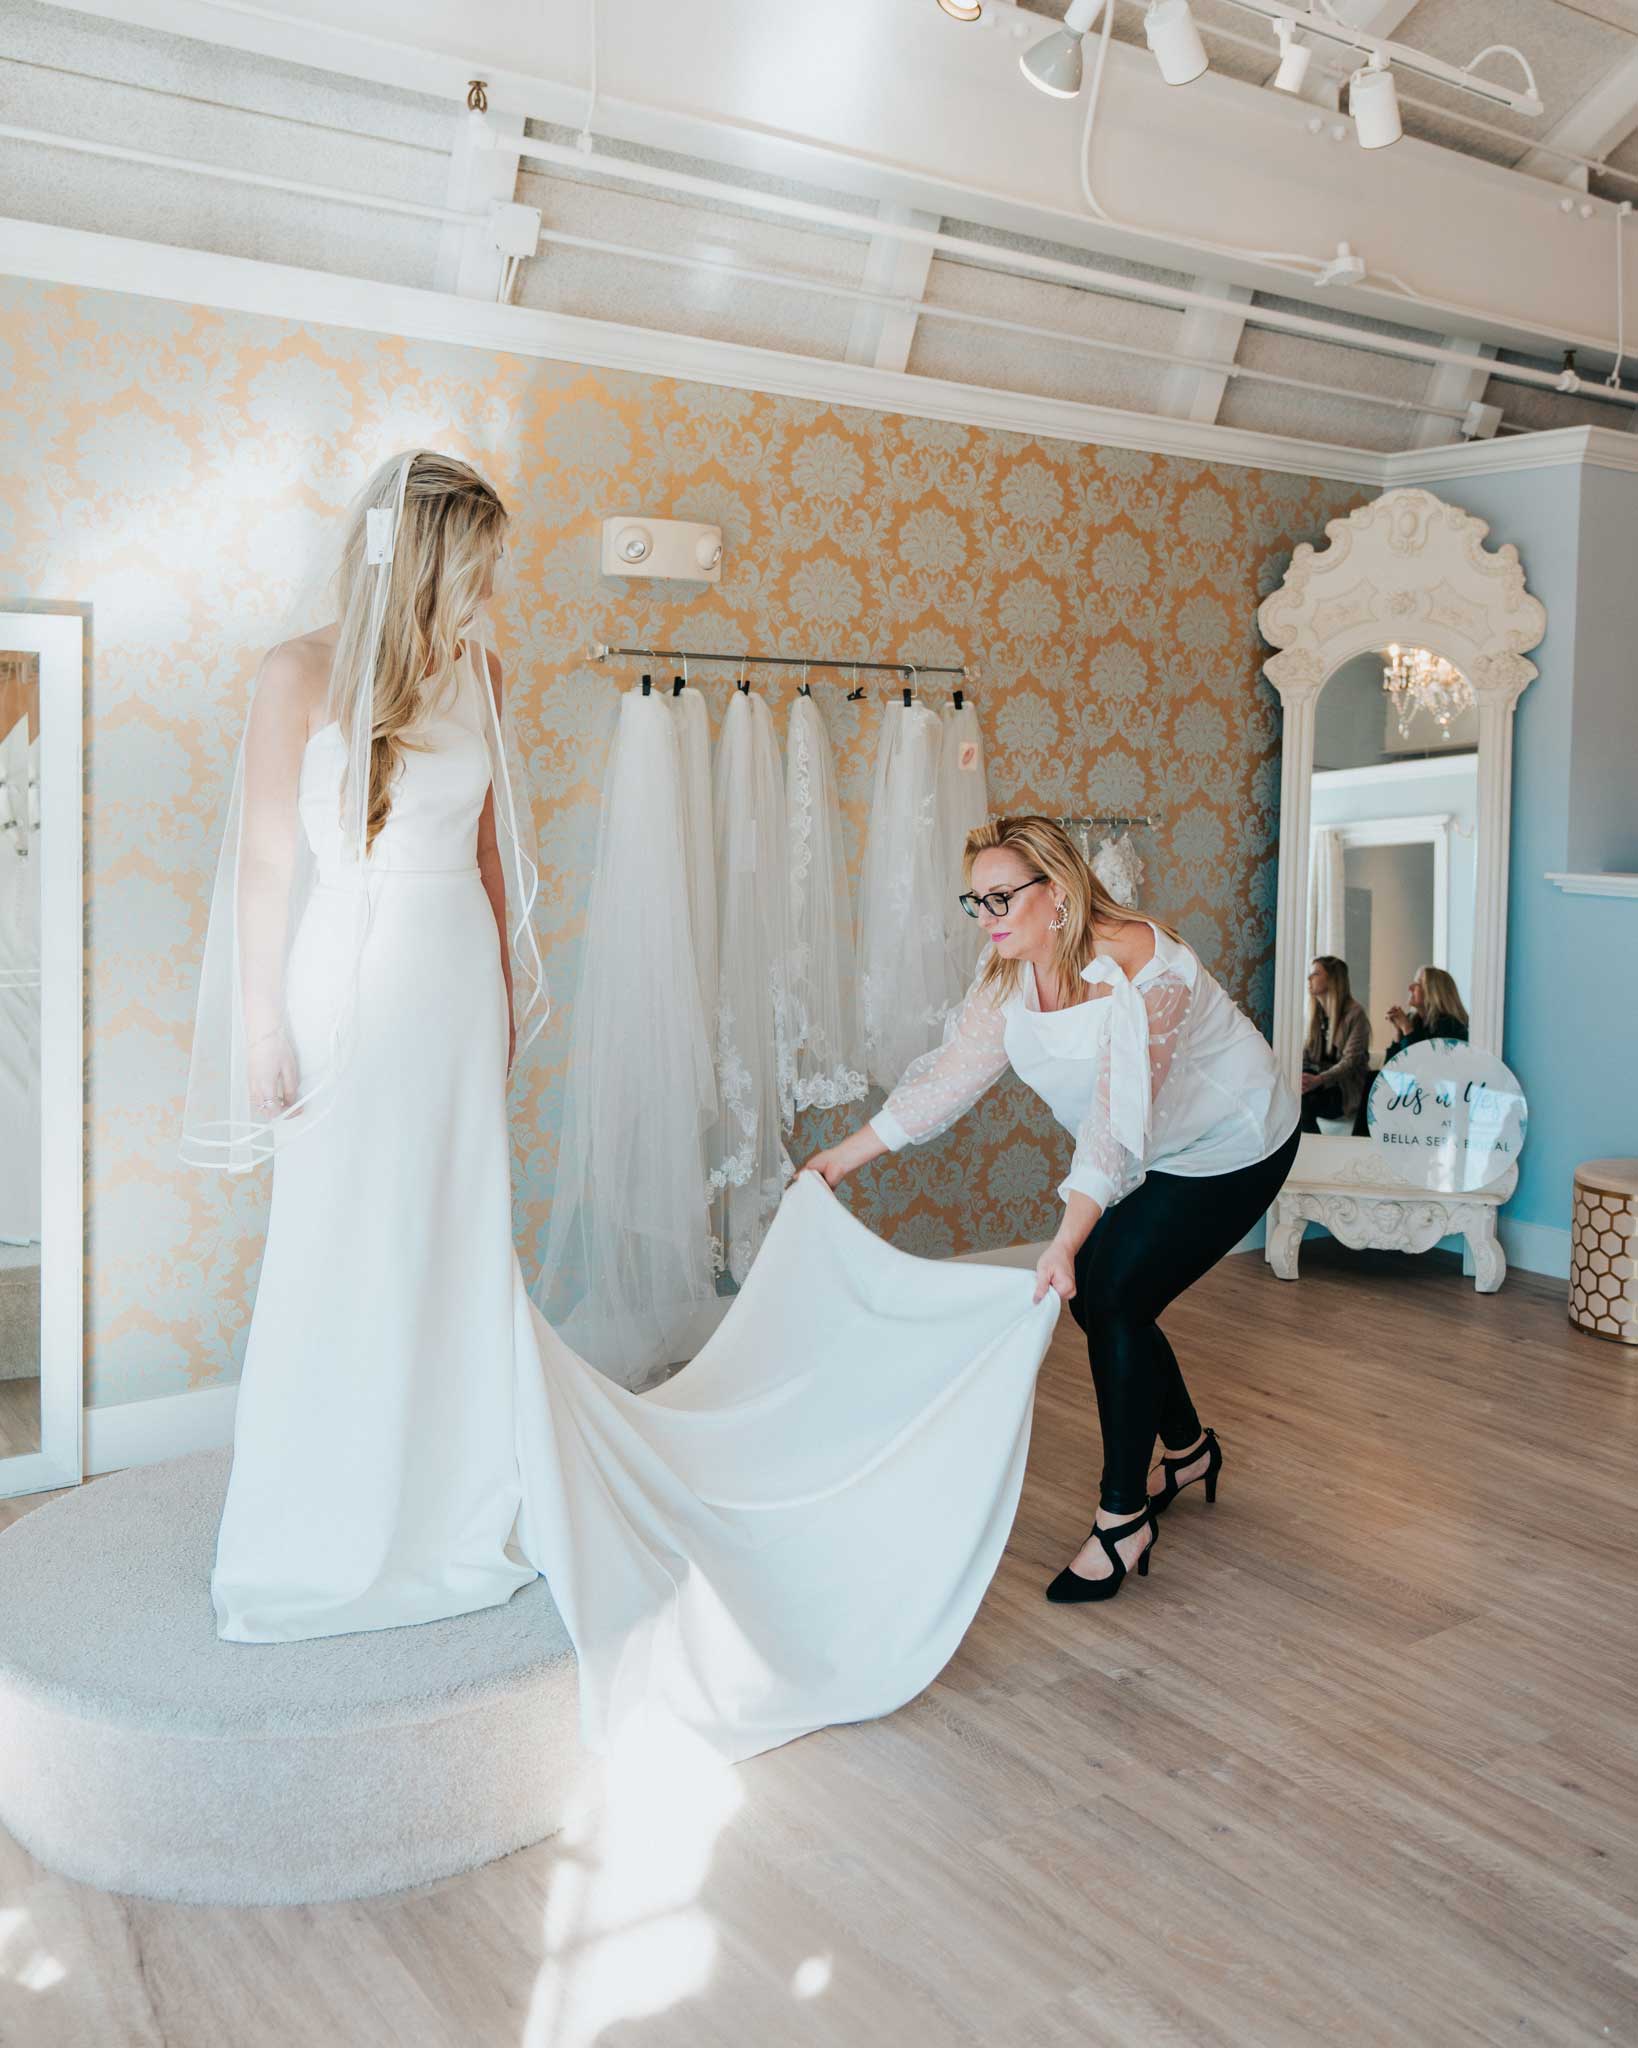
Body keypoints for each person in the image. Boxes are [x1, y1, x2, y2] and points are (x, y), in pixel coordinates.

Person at [180, 451, 1064, 1766]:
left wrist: (499, 1002)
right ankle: (325, 1512)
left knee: (453, 1238)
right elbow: (263, 866)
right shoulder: (294, 674)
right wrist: (262, 1021)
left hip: (446, 981)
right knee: (340, 1240)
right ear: (422, 555)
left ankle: (458, 1493)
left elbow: (491, 861)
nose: (490, 588)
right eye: (476, 563)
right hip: (342, 990)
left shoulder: (478, 672)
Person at [802, 815, 1300, 1606]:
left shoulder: (1144, 966)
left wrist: (1066, 1239)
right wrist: (839, 1158)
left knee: (1113, 1292)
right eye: (977, 901)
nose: (986, 917)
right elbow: (948, 1081)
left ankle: (1123, 1517)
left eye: (1001, 897)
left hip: (1232, 1141)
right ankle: (1188, 1451)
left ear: (1058, 891)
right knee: (1099, 1300)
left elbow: (1113, 1118)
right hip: (1147, 1146)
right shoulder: (1008, 973)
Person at [1300, 955, 1370, 1133]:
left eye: (1316, 973)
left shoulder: (1355, 1014)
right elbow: (1305, 1056)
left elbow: (1350, 1062)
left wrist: (1319, 1080)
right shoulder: (1315, 1015)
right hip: (1318, 1086)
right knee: (1295, 1096)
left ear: (1332, 979)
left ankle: (1313, 1147)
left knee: (1302, 1102)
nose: (1309, 978)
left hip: (1344, 1091)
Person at [1385, 965, 1470, 1060]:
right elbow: (1389, 1066)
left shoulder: (1451, 1027)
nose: (1410, 987)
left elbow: (1421, 1064)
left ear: (1434, 992)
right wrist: (1398, 1031)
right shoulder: (1414, 1020)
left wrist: (1406, 1028)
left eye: (1418, 983)